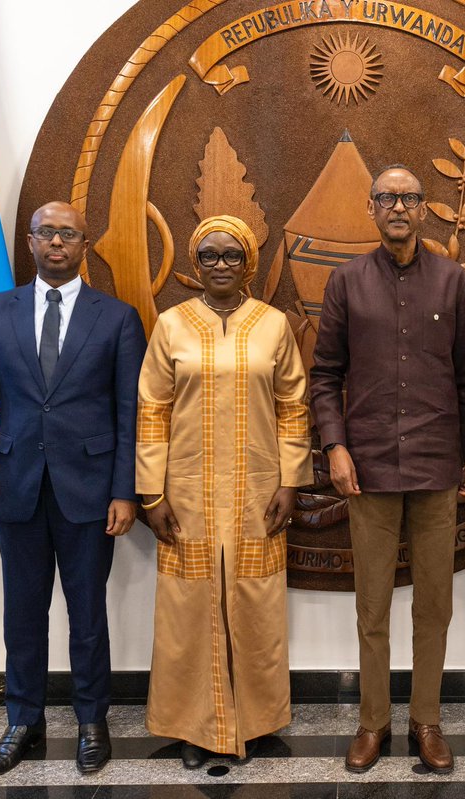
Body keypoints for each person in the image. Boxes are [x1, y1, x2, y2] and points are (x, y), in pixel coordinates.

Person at [309, 165, 465, 774]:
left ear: (424, 209)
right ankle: (373, 723)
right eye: (387, 197)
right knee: (372, 607)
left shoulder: (452, 282)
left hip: (438, 466)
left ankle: (427, 722)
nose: (398, 207)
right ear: (371, 208)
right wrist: (334, 447)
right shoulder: (346, 282)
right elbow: (325, 375)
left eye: (410, 198)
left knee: (434, 605)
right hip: (367, 470)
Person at [0, 201, 146, 777]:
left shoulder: (117, 318)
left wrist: (126, 491)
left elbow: (128, 415)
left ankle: (92, 721)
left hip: (91, 492)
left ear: (84, 244)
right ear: (31, 241)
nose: (57, 242)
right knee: (23, 612)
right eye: (47, 233)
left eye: (68, 234)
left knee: (87, 613)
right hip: (14, 488)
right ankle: (23, 721)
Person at [136, 215, 312, 769]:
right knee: (187, 613)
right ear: (195, 263)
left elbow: (293, 406)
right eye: (208, 256)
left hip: (257, 495)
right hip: (185, 496)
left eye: (230, 256)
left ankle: (256, 723)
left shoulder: (273, 324)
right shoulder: (171, 324)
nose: (219, 265)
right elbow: (152, 411)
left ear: (247, 264)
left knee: (257, 606)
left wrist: (290, 480)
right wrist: (151, 495)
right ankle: (193, 728)